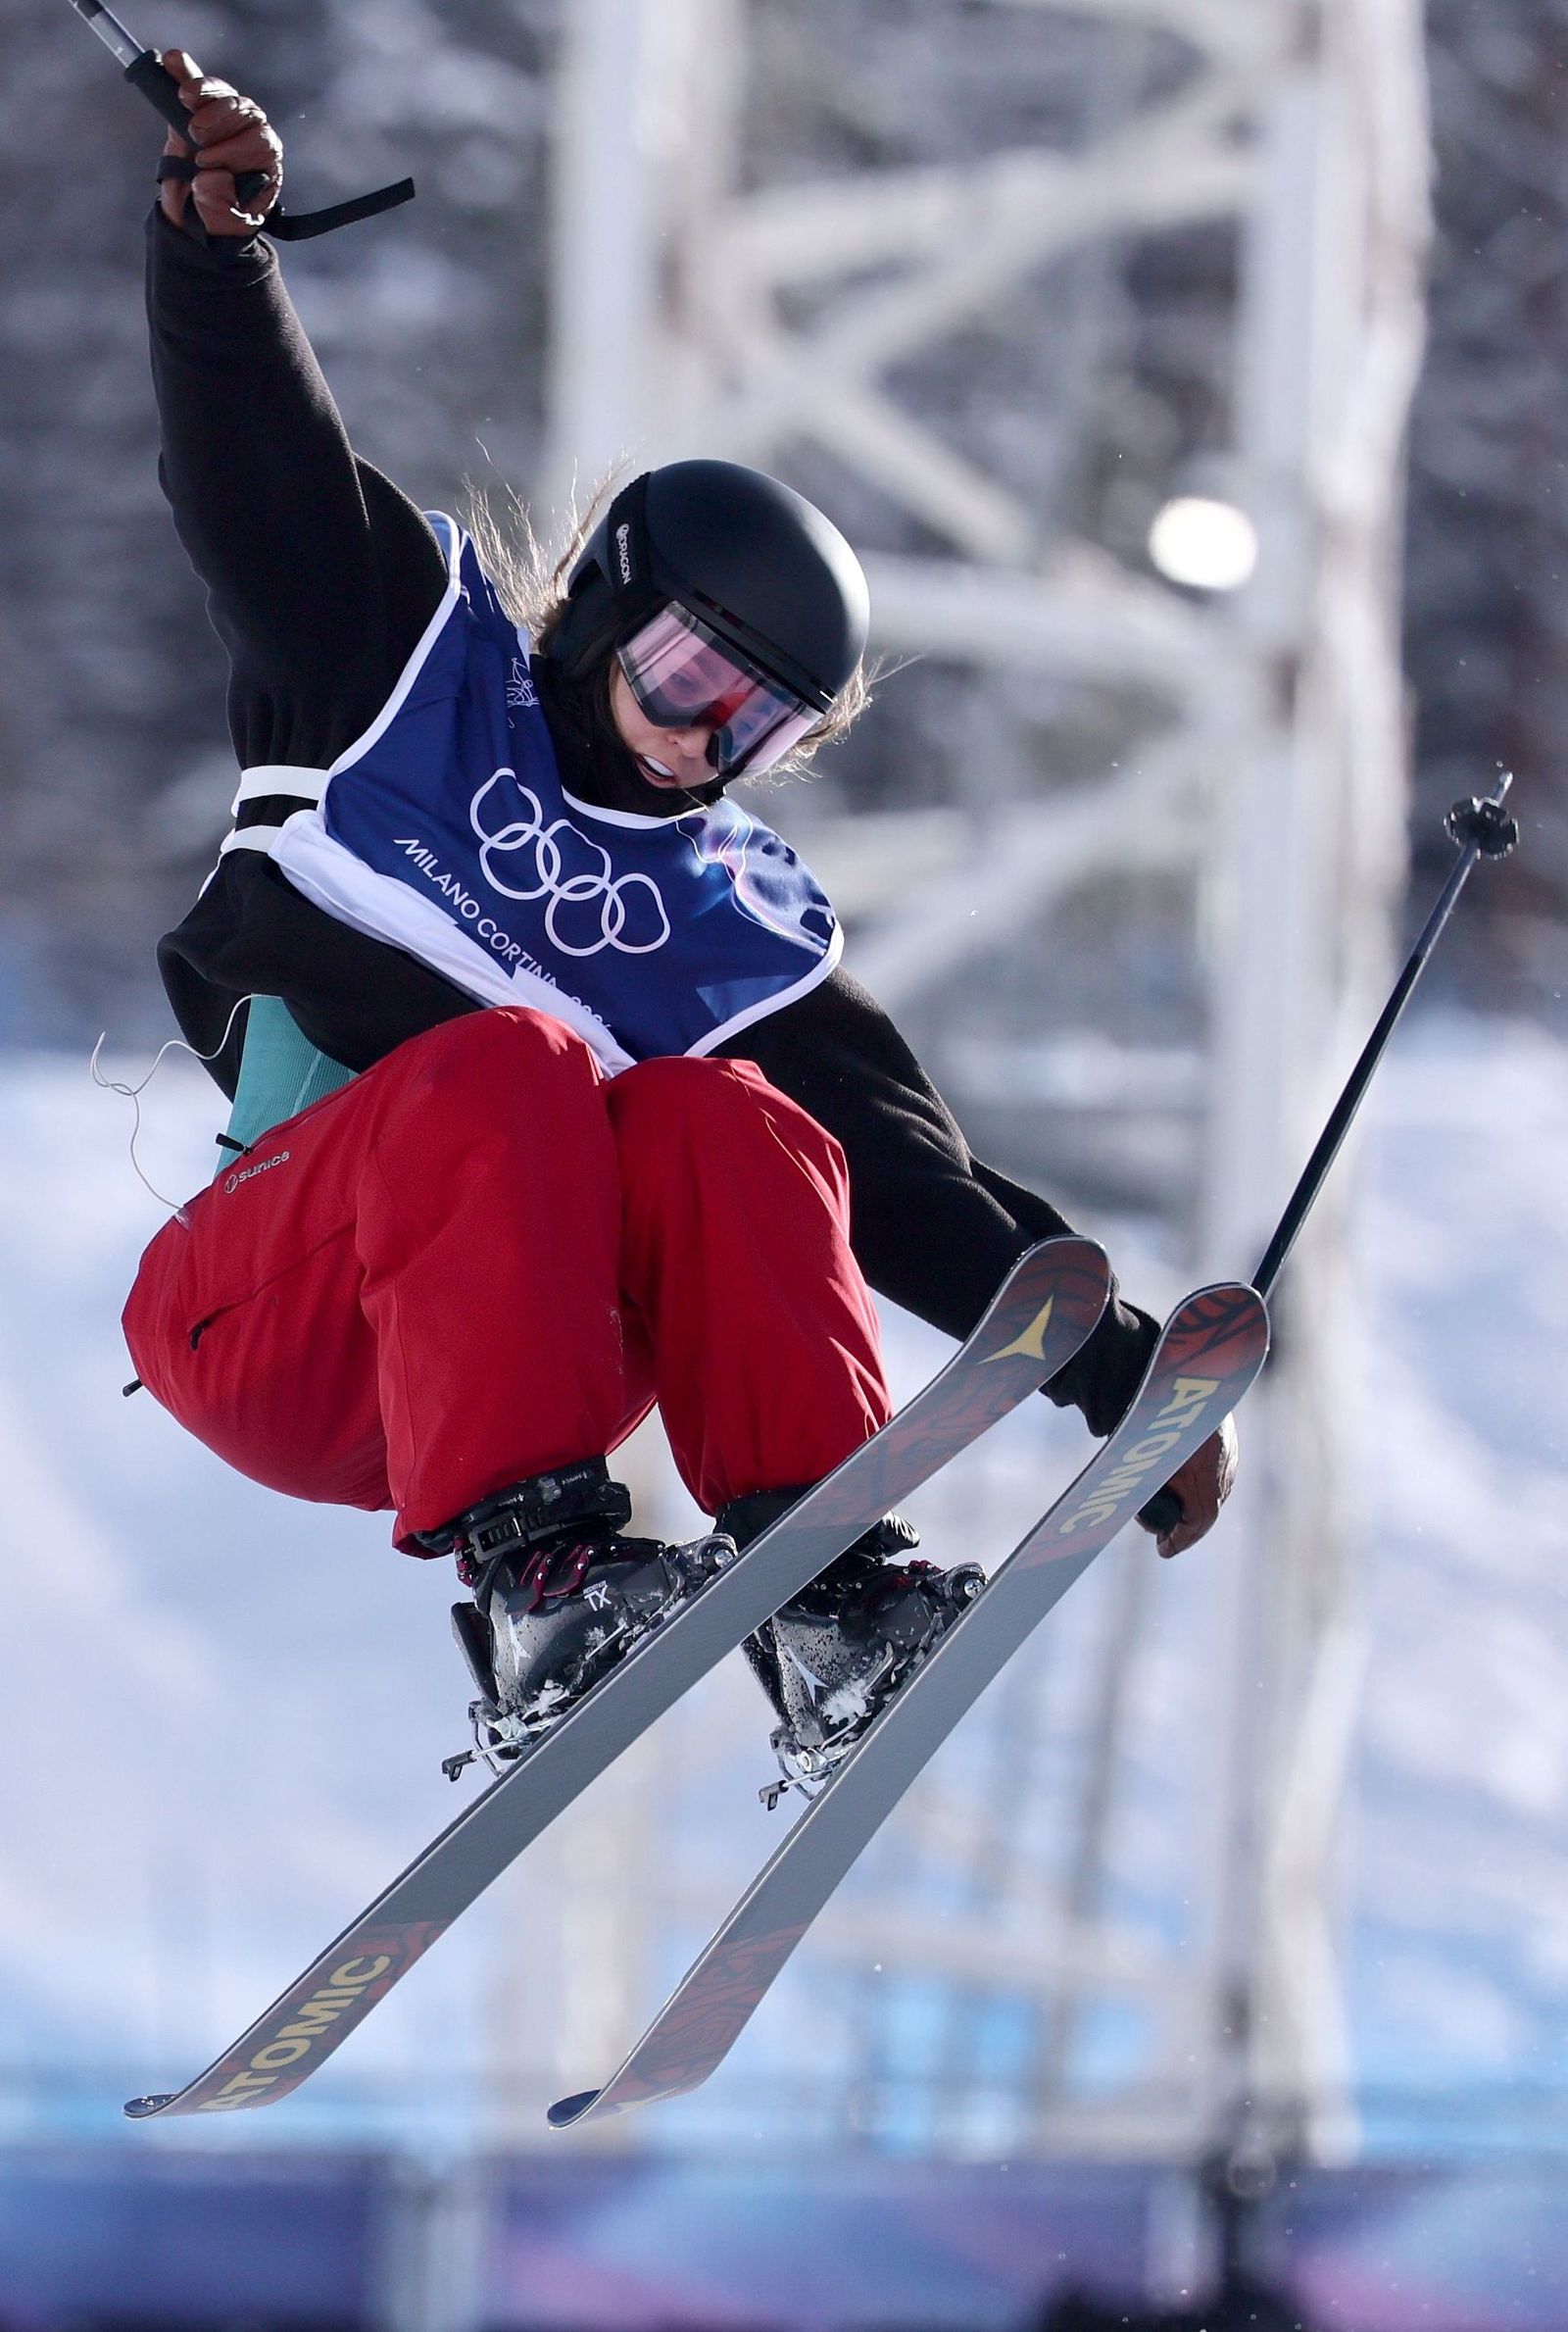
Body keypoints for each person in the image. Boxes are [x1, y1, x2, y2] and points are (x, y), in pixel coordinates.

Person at [121, 53, 1239, 1783]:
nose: (703, 745)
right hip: (271, 1315)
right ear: (603, 617)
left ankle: (825, 1592)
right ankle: (541, 1585)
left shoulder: (718, 921)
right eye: (690, 678)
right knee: (510, 1063)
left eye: (759, 729)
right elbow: (252, 473)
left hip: (522, 1358)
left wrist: (1116, 1377)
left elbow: (905, 1187)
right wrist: (217, 251)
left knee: (728, 1111)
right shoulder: (393, 666)